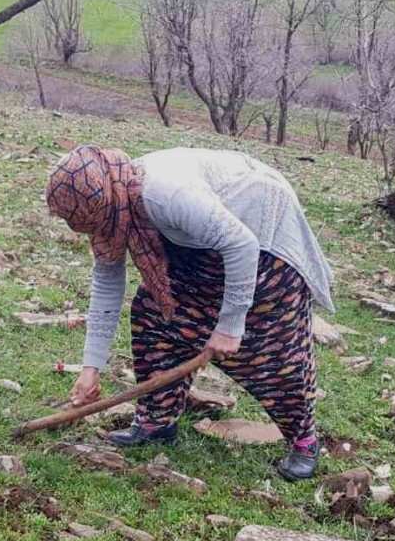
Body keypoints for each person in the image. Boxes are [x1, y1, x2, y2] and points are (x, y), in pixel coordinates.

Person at [44, 145, 335, 480]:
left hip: (260, 233)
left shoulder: (165, 196)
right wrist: (90, 369)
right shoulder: (114, 203)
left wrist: (229, 325)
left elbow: (242, 244)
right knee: (155, 316)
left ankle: (304, 439)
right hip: (199, 243)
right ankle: (158, 420)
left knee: (267, 346)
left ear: (104, 203)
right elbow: (107, 282)